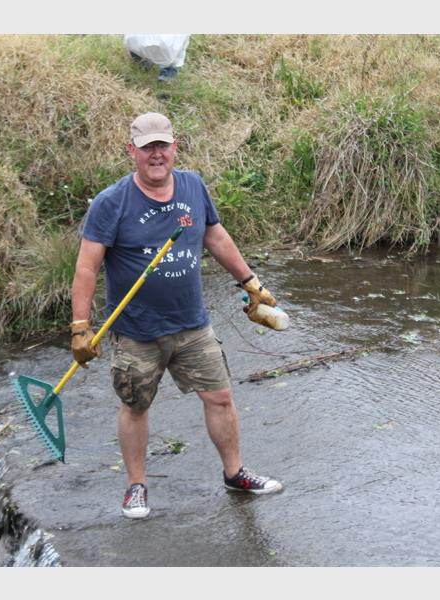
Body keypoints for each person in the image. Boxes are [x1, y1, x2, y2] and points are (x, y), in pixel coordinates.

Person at [70, 112, 283, 519]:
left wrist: (251, 282)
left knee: (220, 397)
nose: (156, 154)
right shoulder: (111, 202)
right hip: (137, 330)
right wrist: (80, 326)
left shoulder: (192, 186)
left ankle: (235, 474)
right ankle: (136, 486)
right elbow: (86, 268)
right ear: (132, 151)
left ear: (174, 147)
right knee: (135, 405)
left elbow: (214, 235)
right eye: (147, 147)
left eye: (162, 146)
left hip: (191, 323)